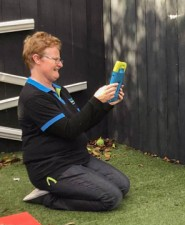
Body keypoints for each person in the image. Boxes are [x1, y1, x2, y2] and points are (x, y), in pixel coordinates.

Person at [18, 31, 130, 211]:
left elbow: (80, 124)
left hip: (77, 158)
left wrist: (107, 105)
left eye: (60, 59)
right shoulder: (33, 97)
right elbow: (68, 130)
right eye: (55, 59)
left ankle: (71, 184)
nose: (60, 64)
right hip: (52, 167)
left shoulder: (59, 90)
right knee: (111, 198)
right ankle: (47, 196)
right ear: (37, 59)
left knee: (123, 185)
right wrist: (95, 100)